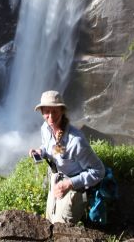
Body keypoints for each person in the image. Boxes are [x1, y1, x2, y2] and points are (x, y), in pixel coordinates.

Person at [29, 90, 105, 224]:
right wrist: (40, 151)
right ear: (41, 112)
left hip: (74, 189)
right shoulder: (45, 129)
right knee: (49, 219)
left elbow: (99, 171)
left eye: (55, 111)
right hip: (56, 180)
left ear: (62, 111)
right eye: (46, 111)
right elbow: (49, 148)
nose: (50, 117)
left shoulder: (75, 141)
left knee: (61, 228)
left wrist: (70, 183)